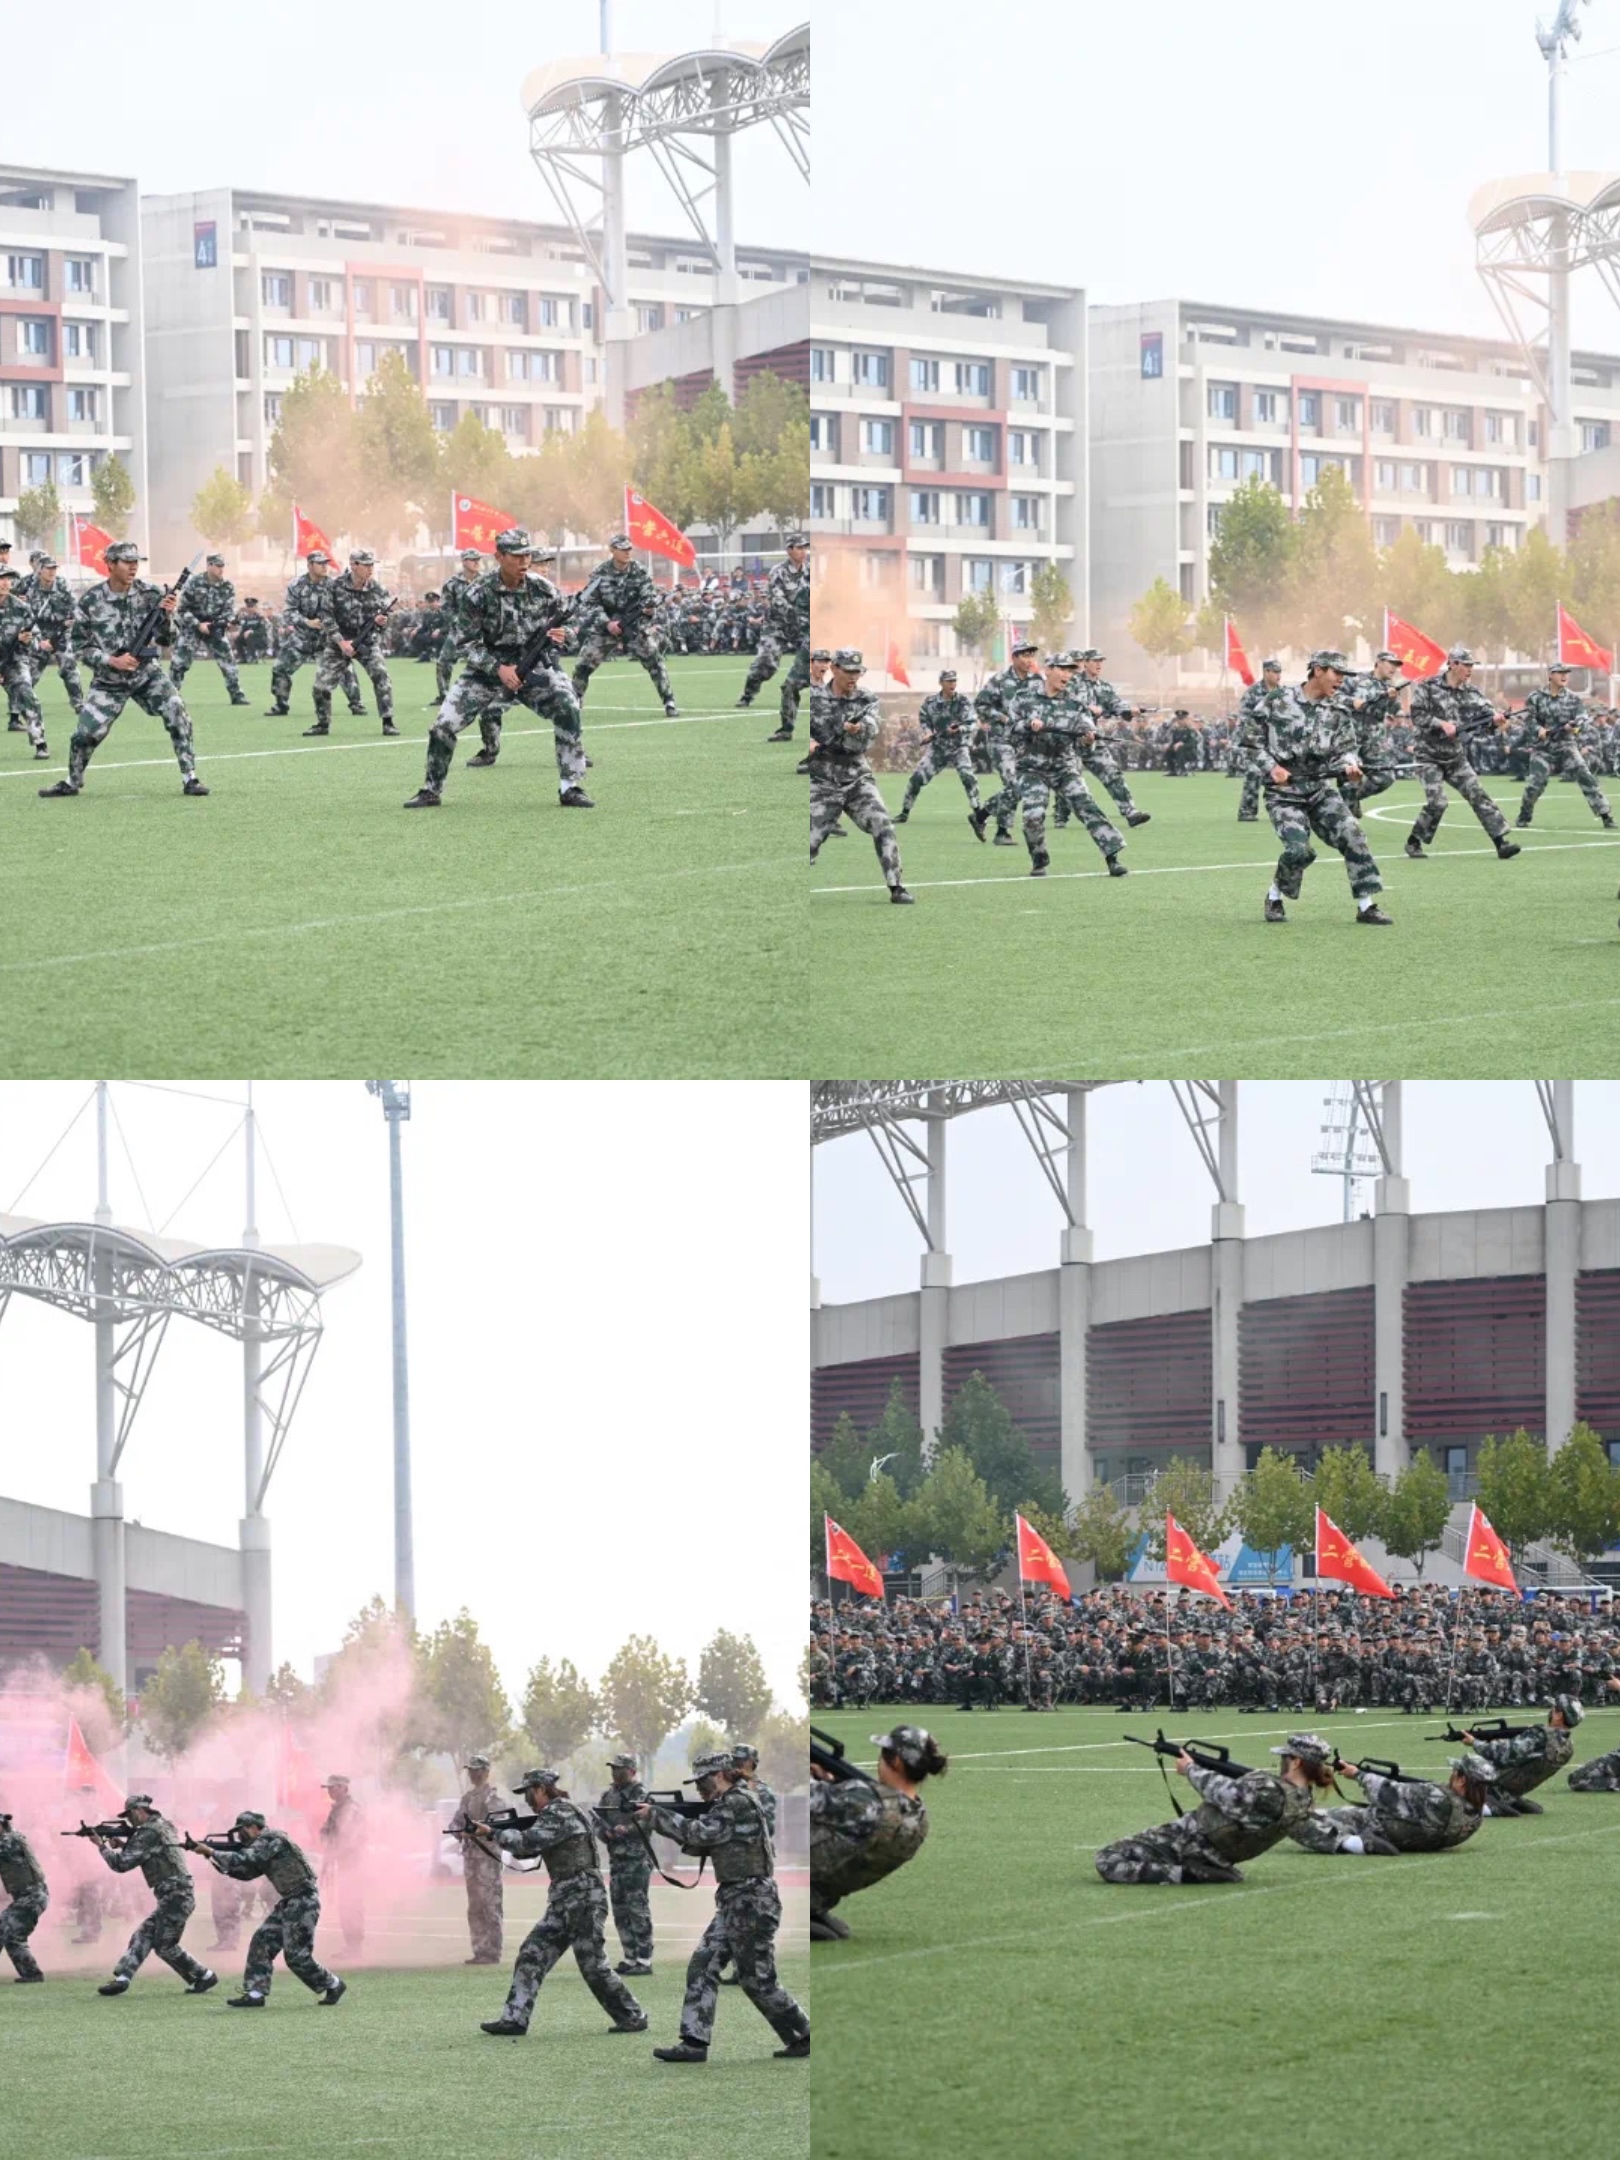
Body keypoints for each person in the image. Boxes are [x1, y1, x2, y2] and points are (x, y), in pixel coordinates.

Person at [640, 1751, 809, 2063]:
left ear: (719, 1775)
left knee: (757, 1980)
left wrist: (656, 1816)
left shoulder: (736, 1802)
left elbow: (700, 1833)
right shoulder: (731, 1802)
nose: (699, 1788)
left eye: (702, 1781)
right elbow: (703, 1842)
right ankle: (694, 2042)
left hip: (750, 1901)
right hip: (737, 1901)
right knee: (703, 1965)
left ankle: (804, 2035)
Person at [404, 529, 591, 810]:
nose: (524, 561)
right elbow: (464, 644)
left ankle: (570, 786)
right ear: (499, 557)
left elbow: (570, 627)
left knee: (568, 706)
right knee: (443, 726)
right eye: (516, 556)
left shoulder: (544, 589)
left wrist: (567, 635)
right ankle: (432, 789)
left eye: (527, 555)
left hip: (534, 666)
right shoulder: (478, 593)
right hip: (486, 671)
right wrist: (498, 668)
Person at [477, 1768, 646, 2039]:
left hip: (583, 1898)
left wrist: (492, 1833)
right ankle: (514, 2018)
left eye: (529, 1792)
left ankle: (632, 2015)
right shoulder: (555, 1813)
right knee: (532, 1953)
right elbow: (530, 1849)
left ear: (541, 1788)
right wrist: (498, 1833)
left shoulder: (560, 1812)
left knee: (593, 1965)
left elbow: (528, 1843)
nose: (527, 1799)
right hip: (564, 1899)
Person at [42, 542, 209, 799]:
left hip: (146, 674)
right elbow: (79, 646)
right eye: (126, 562)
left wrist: (168, 615)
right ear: (110, 564)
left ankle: (190, 778)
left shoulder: (151, 594)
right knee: (84, 735)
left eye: (136, 562)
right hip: (109, 680)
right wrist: (111, 660)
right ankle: (72, 782)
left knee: (177, 710)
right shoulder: (91, 601)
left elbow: (167, 640)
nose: (133, 567)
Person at [1250, 649, 1389, 925]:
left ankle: (1366, 905)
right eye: (1336, 673)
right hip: (1284, 793)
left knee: (1353, 834)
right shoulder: (1278, 700)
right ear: (1318, 670)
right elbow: (1249, 739)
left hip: (1319, 790)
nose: (1341, 680)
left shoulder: (1338, 709)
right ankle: (1275, 895)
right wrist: (1272, 767)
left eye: (1344, 675)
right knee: (1299, 851)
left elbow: (1345, 750)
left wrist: (1350, 766)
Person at [1094, 1731, 1333, 1884]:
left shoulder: (1269, 1791)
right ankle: (1200, 1870)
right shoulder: (1303, 1800)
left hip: (1188, 1840)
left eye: (1284, 1757)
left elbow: (1222, 1793)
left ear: (1296, 1761)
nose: (1281, 1761)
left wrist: (1190, 1768)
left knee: (1107, 1860)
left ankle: (1192, 1874)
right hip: (1218, 1854)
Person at [195, 1808, 344, 2008]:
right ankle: (255, 1994)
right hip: (290, 1901)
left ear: (253, 1827)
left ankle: (333, 1984)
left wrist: (211, 1851)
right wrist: (213, 1857)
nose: (240, 1836)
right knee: (262, 1941)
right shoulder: (264, 1846)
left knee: (297, 1957)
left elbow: (245, 1859)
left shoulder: (271, 1840)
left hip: (303, 1901)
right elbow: (246, 1873)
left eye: (242, 1830)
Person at [811, 1724, 944, 1941]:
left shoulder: (863, 1798)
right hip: (826, 1890)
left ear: (896, 1761)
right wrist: (828, 1781)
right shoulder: (918, 1819)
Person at [1007, 650, 1128, 879]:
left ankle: (1113, 857)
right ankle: (1039, 859)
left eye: (1071, 671)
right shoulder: (1023, 698)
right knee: (1033, 815)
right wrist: (1028, 725)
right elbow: (1009, 731)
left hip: (1063, 767)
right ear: (1048, 670)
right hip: (1032, 768)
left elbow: (1085, 740)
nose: (1067, 675)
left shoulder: (1076, 704)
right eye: (1062, 669)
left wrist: (1087, 740)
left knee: (1087, 806)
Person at [808, 649, 913, 902]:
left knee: (883, 825)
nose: (853, 677)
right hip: (822, 779)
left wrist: (859, 727)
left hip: (857, 777)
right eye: (848, 671)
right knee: (810, 841)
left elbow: (874, 724)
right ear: (835, 669)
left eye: (857, 672)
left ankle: (897, 887)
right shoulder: (814, 699)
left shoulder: (867, 698)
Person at [90, 1795, 217, 1996]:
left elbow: (120, 1864)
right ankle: (122, 1979)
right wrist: (124, 1845)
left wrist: (101, 1846)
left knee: (165, 1946)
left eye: (130, 1815)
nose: (129, 1819)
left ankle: (204, 1975)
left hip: (175, 1895)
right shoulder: (163, 1825)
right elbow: (152, 1852)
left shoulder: (148, 1832)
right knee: (143, 1935)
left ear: (139, 1811)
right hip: (176, 1894)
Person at [1405, 647, 1520, 860]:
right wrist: (1441, 724)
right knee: (1438, 802)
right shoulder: (1428, 687)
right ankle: (1414, 841)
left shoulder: (1472, 693)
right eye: (1466, 665)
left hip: (1455, 757)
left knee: (1478, 794)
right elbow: (1417, 715)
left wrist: (1496, 721)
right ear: (1452, 664)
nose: (1470, 669)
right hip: (1428, 756)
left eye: (1471, 665)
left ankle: (1501, 843)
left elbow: (1487, 717)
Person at [1289, 1753, 1492, 1854]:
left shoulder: (1437, 1797)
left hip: (1377, 1827)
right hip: (1417, 1837)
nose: (1452, 1774)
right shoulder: (1475, 1816)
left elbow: (1389, 1793)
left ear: (1462, 1780)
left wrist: (1358, 1774)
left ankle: (1353, 1844)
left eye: (1455, 1772)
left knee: (1296, 1820)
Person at [572, 533, 678, 718]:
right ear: (612, 550)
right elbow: (590, 603)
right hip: (606, 626)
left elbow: (648, 599)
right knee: (583, 665)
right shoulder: (598, 573)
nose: (627, 552)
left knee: (655, 662)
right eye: (623, 549)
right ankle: (575, 700)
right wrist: (607, 623)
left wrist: (649, 611)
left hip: (633, 625)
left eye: (629, 549)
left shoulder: (640, 571)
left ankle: (669, 701)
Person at [1515, 660, 1615, 830]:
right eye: (1560, 673)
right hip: (1543, 747)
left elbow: (1582, 718)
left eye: (1566, 673)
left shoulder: (1573, 698)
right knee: (1536, 783)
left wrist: (1574, 726)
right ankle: (1524, 815)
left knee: (1585, 775)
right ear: (1550, 675)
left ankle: (1605, 815)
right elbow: (1529, 720)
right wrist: (1539, 729)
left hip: (1566, 745)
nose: (1564, 676)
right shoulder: (1535, 697)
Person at [310, 552, 398, 738]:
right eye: (366, 565)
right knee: (321, 687)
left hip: (366, 642)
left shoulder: (378, 589)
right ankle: (322, 724)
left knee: (382, 677)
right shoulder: (334, 586)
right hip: (338, 642)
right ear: (354, 565)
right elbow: (326, 616)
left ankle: (388, 722)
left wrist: (382, 622)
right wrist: (342, 642)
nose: (370, 569)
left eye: (372, 565)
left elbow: (385, 619)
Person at [896, 669, 985, 833]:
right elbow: (924, 719)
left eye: (954, 681)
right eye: (949, 681)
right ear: (941, 683)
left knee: (968, 777)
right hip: (938, 748)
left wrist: (959, 729)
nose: (952, 684)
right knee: (916, 778)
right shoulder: (930, 702)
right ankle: (904, 812)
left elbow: (973, 723)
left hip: (959, 747)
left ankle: (978, 813)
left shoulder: (964, 701)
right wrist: (928, 733)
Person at [1461, 1695, 1582, 1814]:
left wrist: (1475, 1743)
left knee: (1468, 1762)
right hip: (1514, 1789)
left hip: (1496, 1785)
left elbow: (1503, 1755)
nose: (1550, 1711)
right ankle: (1507, 1800)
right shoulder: (1567, 1746)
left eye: (1554, 1708)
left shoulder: (1540, 1735)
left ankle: (1488, 1804)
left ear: (1559, 1715)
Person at [1072, 649, 1152, 825]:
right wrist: (1087, 707)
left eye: (1101, 661)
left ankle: (1130, 812)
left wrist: (1129, 710)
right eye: (1095, 660)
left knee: (1111, 771)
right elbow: (1063, 700)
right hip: (1070, 738)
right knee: (1070, 778)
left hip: (1092, 736)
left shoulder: (1104, 687)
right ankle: (1060, 816)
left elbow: (1116, 703)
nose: (1099, 664)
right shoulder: (1072, 682)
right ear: (1085, 662)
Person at [974, 638, 1042, 843]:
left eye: (1031, 655)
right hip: (1001, 739)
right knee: (1013, 784)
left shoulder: (1037, 681)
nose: (1029, 659)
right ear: (1014, 657)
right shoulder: (999, 680)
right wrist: (1002, 717)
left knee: (1018, 786)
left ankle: (981, 815)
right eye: (1025, 655)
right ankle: (1002, 832)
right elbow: (980, 705)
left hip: (1025, 743)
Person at [597, 1752, 654, 1976]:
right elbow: (598, 1820)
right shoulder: (608, 1795)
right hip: (617, 1861)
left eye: (619, 1768)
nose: (615, 1772)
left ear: (631, 1771)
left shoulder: (641, 1794)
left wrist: (626, 1830)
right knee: (620, 1911)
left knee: (637, 1909)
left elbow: (648, 1823)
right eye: (613, 1768)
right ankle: (630, 1958)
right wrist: (606, 1833)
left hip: (636, 1860)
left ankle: (644, 1960)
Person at [172, 553, 251, 706]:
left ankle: (237, 696)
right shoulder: (193, 583)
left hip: (214, 627)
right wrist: (198, 624)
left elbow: (229, 610)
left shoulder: (227, 586)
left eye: (223, 566)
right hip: (192, 627)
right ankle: (172, 696)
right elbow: (182, 610)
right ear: (209, 566)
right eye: (218, 566)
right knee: (179, 662)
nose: (221, 569)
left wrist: (225, 622)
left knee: (228, 661)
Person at [447, 1752, 504, 1964]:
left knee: (491, 1906)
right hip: (472, 1860)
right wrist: (460, 1831)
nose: (473, 1774)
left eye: (477, 1770)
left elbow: (497, 1825)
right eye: (471, 1770)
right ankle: (480, 1950)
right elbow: (455, 1823)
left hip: (487, 1859)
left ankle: (492, 1952)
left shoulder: (493, 1798)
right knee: (475, 1907)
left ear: (486, 1772)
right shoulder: (467, 1798)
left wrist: (473, 1830)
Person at [1339, 650, 1407, 817]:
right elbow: (1334, 695)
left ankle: (1351, 799)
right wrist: (1352, 701)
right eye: (1391, 664)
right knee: (1350, 774)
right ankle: (1347, 810)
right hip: (1350, 735)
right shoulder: (1356, 680)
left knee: (1386, 777)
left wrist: (1392, 699)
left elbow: (1396, 711)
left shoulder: (1390, 688)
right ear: (1379, 662)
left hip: (1374, 738)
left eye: (1396, 666)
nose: (1394, 668)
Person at [23, 556, 85, 715]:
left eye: (54, 568)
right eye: (48, 568)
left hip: (61, 633)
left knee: (69, 667)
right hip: (40, 634)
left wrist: (70, 624)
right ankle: (21, 704)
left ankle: (78, 703)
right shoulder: (31, 589)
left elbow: (75, 610)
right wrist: (40, 639)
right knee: (31, 672)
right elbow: (28, 616)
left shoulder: (63, 585)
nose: (52, 572)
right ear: (40, 570)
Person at [0, 564, 47, 759]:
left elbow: (37, 640)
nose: (5, 583)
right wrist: (12, 639)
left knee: (27, 695)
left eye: (7, 579)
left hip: (13, 662)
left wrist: (28, 640)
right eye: (1, 579)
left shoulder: (21, 608)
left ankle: (40, 742)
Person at [317, 1775, 366, 1955]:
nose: (330, 1791)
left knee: (350, 1904)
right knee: (346, 1904)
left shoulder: (349, 1809)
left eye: (333, 1787)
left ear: (343, 1788)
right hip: (345, 1863)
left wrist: (333, 1853)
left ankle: (354, 1946)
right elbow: (327, 1833)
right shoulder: (338, 1809)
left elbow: (348, 1838)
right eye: (329, 1788)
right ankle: (351, 1945)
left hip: (352, 1863)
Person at [0, 1808, 49, 1981]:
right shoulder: (12, 1837)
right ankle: (32, 1974)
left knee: (11, 1935)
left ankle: (33, 1974)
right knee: (6, 1931)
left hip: (31, 1897)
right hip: (30, 1897)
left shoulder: (8, 1841)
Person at [1234, 659, 1284, 820]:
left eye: (1279, 672)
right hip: (1257, 742)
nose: (1278, 675)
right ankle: (1247, 811)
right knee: (1253, 773)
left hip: (1278, 742)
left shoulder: (1284, 693)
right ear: (1266, 672)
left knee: (1282, 776)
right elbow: (1244, 719)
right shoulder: (1252, 693)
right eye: (1275, 672)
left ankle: (1283, 811)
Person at [435, 548, 484, 707]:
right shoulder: (452, 584)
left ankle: (496, 694)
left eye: (478, 559)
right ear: (463, 562)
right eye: (472, 559)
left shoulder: (486, 581)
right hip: (459, 632)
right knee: (444, 662)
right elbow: (446, 608)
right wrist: (458, 621)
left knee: (487, 663)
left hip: (482, 631)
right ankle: (443, 695)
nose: (476, 562)